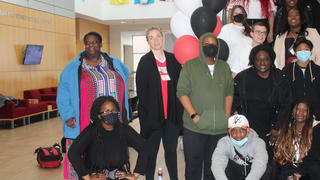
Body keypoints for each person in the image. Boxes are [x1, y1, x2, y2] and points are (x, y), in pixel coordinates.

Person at [57, 32, 130, 179]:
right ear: (84, 45)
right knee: (83, 154)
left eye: (95, 42)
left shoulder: (113, 62)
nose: (91, 45)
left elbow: (125, 73)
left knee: (112, 152)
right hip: (84, 121)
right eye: (88, 42)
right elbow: (63, 92)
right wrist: (68, 114)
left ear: (101, 44)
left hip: (112, 120)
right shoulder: (73, 67)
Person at [177, 32, 234, 180]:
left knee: (214, 168)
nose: (211, 46)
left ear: (218, 46)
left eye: (214, 44)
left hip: (219, 130)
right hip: (194, 128)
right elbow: (182, 93)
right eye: (207, 44)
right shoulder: (190, 66)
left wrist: (226, 115)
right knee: (193, 167)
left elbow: (229, 92)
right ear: (201, 46)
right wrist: (195, 116)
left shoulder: (224, 67)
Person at [135, 26, 183, 180]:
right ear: (147, 41)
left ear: (163, 38)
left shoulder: (173, 59)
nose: (155, 40)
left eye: (158, 36)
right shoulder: (145, 62)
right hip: (152, 119)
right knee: (151, 154)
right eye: (151, 37)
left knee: (171, 153)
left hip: (172, 118)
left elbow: (180, 87)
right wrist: (146, 118)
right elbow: (142, 93)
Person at [68, 96, 148, 180]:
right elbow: (73, 152)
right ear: (99, 116)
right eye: (106, 111)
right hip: (97, 176)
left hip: (119, 175)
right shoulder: (91, 131)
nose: (111, 113)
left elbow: (143, 147)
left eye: (113, 110)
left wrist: (135, 175)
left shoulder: (123, 129)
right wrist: (87, 177)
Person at [232, 44, 292, 147]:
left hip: (271, 130)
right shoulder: (243, 78)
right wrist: (239, 126)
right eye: (258, 60)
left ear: (271, 60)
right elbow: (233, 102)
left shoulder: (280, 78)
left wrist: (277, 128)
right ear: (253, 61)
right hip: (247, 130)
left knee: (267, 160)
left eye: (266, 59)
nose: (262, 63)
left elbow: (286, 105)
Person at [274, 99, 320, 180]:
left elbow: (314, 155)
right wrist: (290, 175)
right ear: (292, 111)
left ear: (309, 112)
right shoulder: (286, 128)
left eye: (304, 110)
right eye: (298, 109)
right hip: (290, 168)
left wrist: (298, 174)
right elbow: (281, 155)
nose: (300, 113)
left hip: (307, 168)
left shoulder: (316, 128)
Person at [212, 114, 268, 180]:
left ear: (248, 130)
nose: (238, 134)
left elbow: (260, 163)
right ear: (229, 132)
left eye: (242, 130)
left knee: (265, 171)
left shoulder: (258, 142)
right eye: (234, 131)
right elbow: (217, 163)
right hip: (234, 172)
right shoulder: (224, 142)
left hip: (254, 173)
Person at [282, 38, 320, 121]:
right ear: (295, 53)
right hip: (293, 117)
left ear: (310, 52)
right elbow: (284, 95)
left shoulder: (317, 70)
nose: (303, 53)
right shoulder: (287, 70)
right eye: (300, 50)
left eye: (306, 50)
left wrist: (317, 113)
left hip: (315, 117)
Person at [219, 5, 252, 77]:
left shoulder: (250, 30)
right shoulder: (227, 29)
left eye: (241, 13)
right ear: (232, 16)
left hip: (248, 70)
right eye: (236, 13)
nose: (238, 15)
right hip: (232, 70)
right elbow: (220, 48)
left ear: (244, 15)